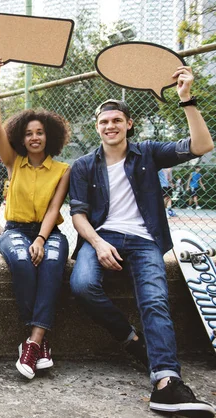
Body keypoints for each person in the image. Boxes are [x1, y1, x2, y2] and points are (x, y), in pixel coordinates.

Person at [69, 66, 215, 417]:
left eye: (117, 120)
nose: (110, 126)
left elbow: (203, 144)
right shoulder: (84, 166)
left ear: (128, 124)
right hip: (102, 237)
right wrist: (99, 245)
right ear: (97, 127)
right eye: (104, 122)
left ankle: (166, 383)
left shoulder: (148, 152)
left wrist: (186, 98)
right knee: (82, 284)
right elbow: (78, 215)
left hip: (145, 239)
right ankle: (132, 341)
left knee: (154, 299)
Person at [0, 58, 71, 380]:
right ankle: (41, 341)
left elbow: (53, 209)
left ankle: (33, 342)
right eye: (28, 133)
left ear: (48, 136)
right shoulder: (13, 162)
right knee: (22, 262)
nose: (34, 137)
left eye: (39, 132)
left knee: (51, 263)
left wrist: (41, 238)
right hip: (15, 230)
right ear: (21, 138)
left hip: (49, 232)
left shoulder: (63, 170)